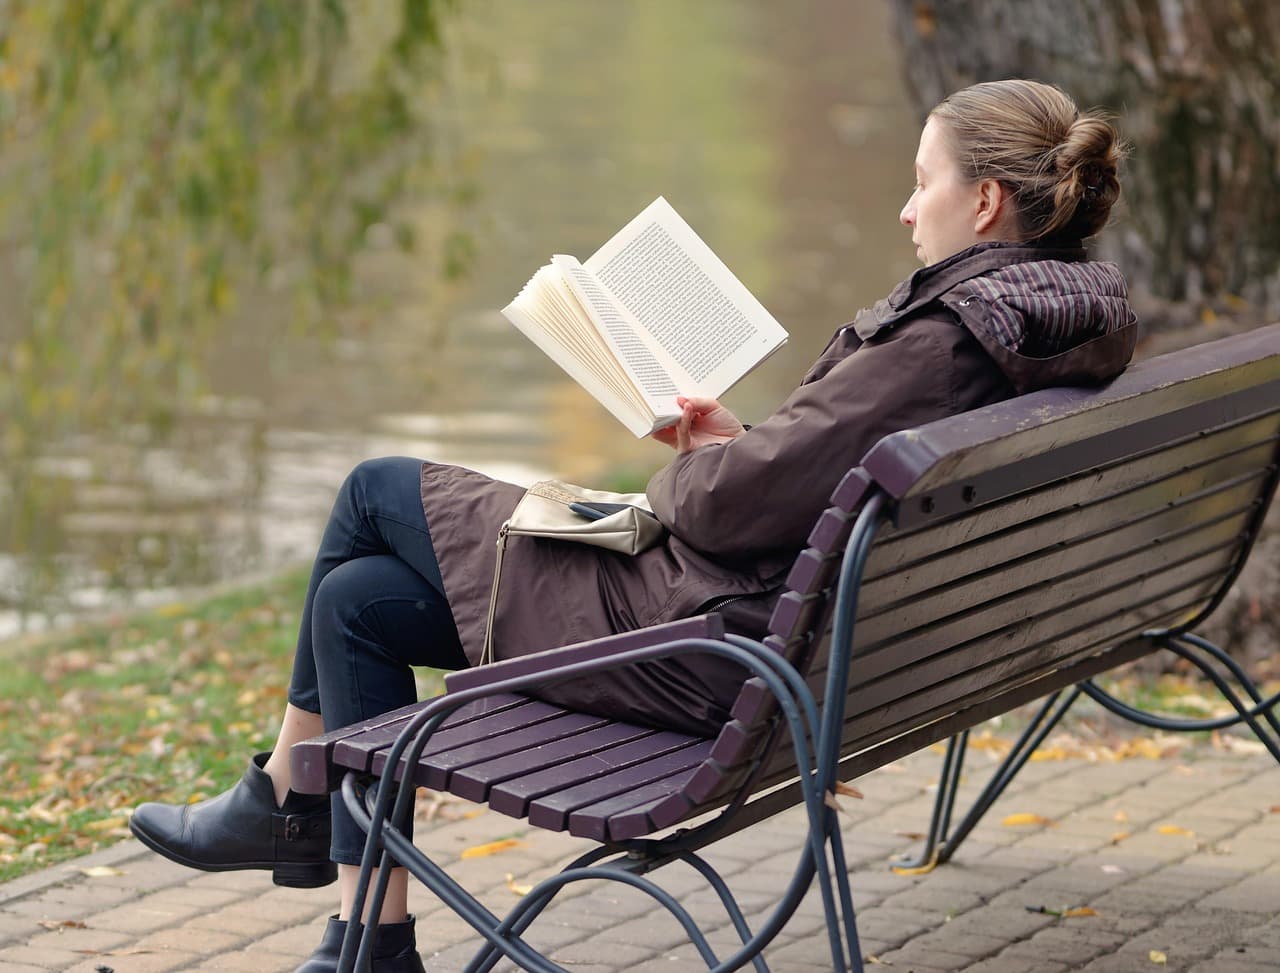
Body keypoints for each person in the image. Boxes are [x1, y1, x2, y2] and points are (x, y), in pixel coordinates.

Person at [128, 79, 1138, 972]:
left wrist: (700, 466)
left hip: (708, 651)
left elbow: (727, 505)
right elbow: (814, 469)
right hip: (804, 643)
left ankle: (285, 802)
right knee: (360, 605)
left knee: (373, 491)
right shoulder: (1054, 326)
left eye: (922, 181)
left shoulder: (944, 339)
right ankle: (368, 938)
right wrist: (744, 445)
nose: (906, 204)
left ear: (986, 201)